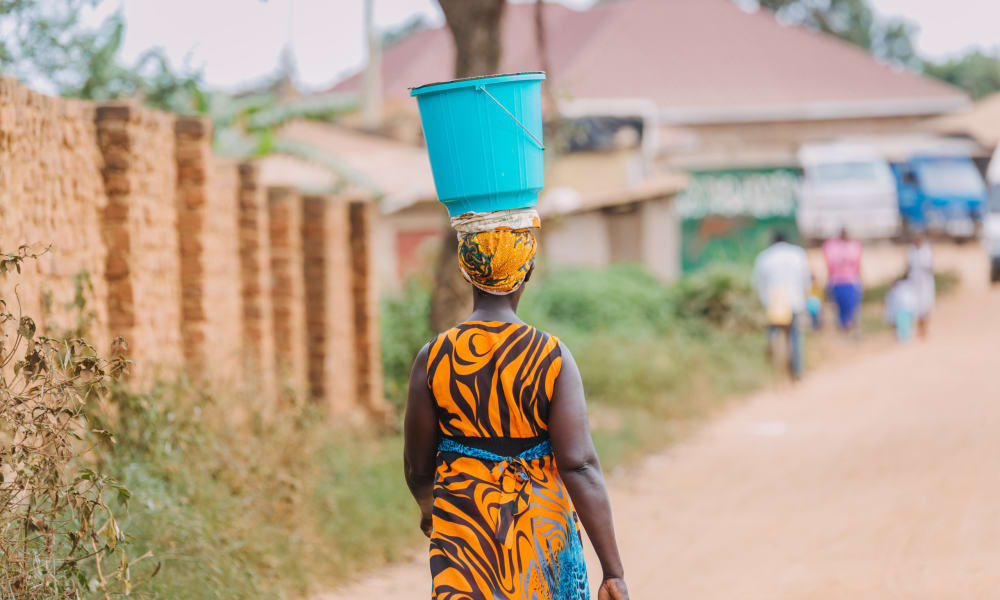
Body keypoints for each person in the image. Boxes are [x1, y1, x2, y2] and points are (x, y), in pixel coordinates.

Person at [404, 226, 629, 600]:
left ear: (465, 271)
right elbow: (578, 464)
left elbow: (417, 465)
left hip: (464, 525)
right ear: (528, 272)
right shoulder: (552, 356)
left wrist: (431, 512)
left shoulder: (435, 356)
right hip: (541, 525)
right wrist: (613, 571)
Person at [752, 231, 811, 379]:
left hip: (773, 304)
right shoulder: (798, 254)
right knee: (796, 337)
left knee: (773, 334)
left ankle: (773, 368)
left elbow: (757, 284)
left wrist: (763, 301)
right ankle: (797, 371)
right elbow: (806, 280)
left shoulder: (764, 257)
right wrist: (805, 298)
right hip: (795, 302)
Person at [822, 227, 863, 332]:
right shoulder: (832, 247)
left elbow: (858, 265)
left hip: (851, 282)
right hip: (837, 282)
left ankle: (851, 328)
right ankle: (843, 329)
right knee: (840, 309)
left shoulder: (854, 246)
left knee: (852, 308)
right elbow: (829, 266)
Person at [906, 231, 935, 338]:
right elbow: (908, 266)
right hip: (914, 282)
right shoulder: (911, 251)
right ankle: (919, 329)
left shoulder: (926, 251)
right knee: (915, 306)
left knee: (926, 306)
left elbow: (930, 266)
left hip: (925, 283)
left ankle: (924, 329)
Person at [885, 275, 917, 342]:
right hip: (904, 309)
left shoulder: (899, 289)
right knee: (904, 326)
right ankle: (903, 339)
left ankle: (903, 339)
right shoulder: (906, 288)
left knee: (902, 326)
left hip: (902, 309)